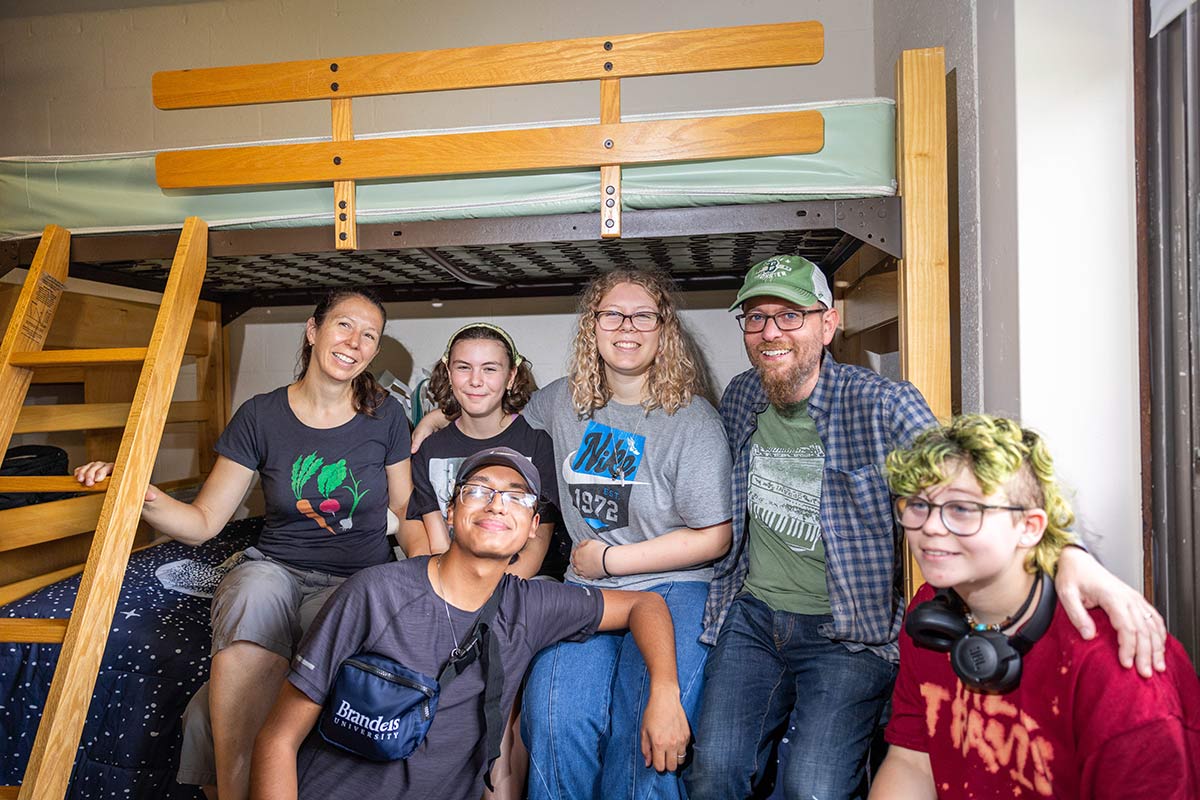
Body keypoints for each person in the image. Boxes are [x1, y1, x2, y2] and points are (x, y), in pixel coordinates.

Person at [684, 255, 1170, 800]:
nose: (771, 331)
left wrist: (1072, 552)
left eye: (790, 315)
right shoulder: (742, 397)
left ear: (828, 322)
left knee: (812, 789)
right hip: (752, 616)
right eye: (756, 317)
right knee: (712, 777)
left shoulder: (883, 403)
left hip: (847, 632)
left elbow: (983, 478)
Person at [75, 289, 413, 800]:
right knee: (251, 590)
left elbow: (407, 509)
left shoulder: (384, 416)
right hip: (275, 566)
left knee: (206, 712)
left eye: (370, 335)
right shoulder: (260, 415)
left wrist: (426, 573)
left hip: (354, 577)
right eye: (344, 325)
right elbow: (204, 521)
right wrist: (137, 492)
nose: (355, 342)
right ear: (313, 329)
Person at [412, 269, 733, 800]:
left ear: (663, 327)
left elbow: (715, 536)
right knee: (554, 719)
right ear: (593, 326)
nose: (626, 326)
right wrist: (432, 423)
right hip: (586, 592)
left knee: (643, 730)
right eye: (611, 314)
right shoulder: (560, 403)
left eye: (643, 315)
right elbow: (494, 422)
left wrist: (609, 561)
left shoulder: (692, 419)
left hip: (674, 584)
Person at [249, 446, 691, 800]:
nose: (497, 504)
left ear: (534, 526)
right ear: (451, 511)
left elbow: (644, 605)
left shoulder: (533, 607)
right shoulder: (373, 593)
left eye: (517, 497)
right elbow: (278, 739)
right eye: (478, 490)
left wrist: (666, 692)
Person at [871, 414, 1200, 799]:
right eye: (919, 505)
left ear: (1029, 527)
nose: (930, 527)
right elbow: (913, 760)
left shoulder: (1114, 664)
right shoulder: (930, 615)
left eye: (962, 509)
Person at [401, 322, 568, 580]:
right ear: (448, 373)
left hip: (526, 583)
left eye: (490, 369)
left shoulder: (538, 442)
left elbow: (537, 544)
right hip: (455, 584)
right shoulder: (429, 450)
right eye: (463, 367)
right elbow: (440, 545)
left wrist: (489, 594)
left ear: (511, 376)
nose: (475, 381)